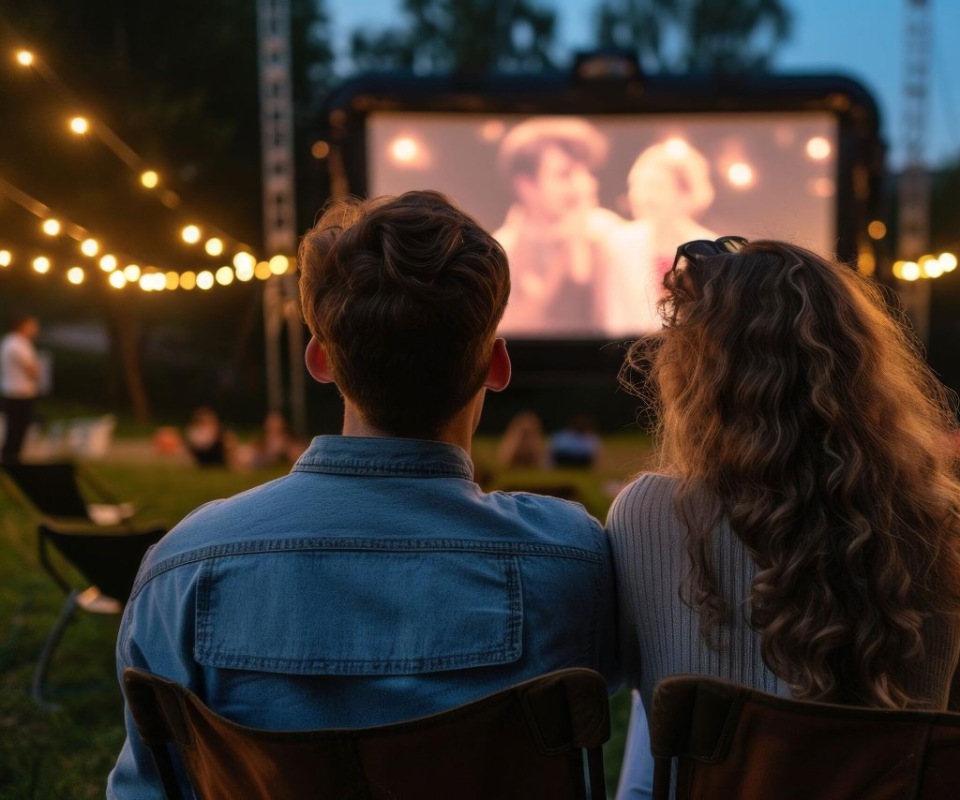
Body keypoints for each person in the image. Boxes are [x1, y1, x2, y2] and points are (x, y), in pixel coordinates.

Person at [109, 191, 619, 798]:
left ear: (320, 359)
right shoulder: (573, 561)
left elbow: (146, 787)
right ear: (496, 365)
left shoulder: (182, 567)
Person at [607, 238, 960, 798]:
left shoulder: (649, 512)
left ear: (698, 377)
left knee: (663, 702)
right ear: (859, 364)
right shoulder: (930, 522)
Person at [493, 117, 623, 336]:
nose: (581, 186)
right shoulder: (501, 249)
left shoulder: (609, 233)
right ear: (526, 186)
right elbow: (501, 333)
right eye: (565, 175)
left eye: (585, 173)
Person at [605, 140, 717, 333]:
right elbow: (613, 315)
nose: (643, 196)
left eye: (655, 186)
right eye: (637, 185)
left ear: (686, 193)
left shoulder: (713, 250)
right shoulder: (618, 243)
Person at [1, 316, 41, 463]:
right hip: (18, 392)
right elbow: (32, 369)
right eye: (32, 325)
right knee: (16, 427)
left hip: (17, 391)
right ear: (23, 326)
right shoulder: (16, 344)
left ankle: (12, 456)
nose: (35, 329)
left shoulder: (14, 342)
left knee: (17, 426)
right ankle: (10, 457)